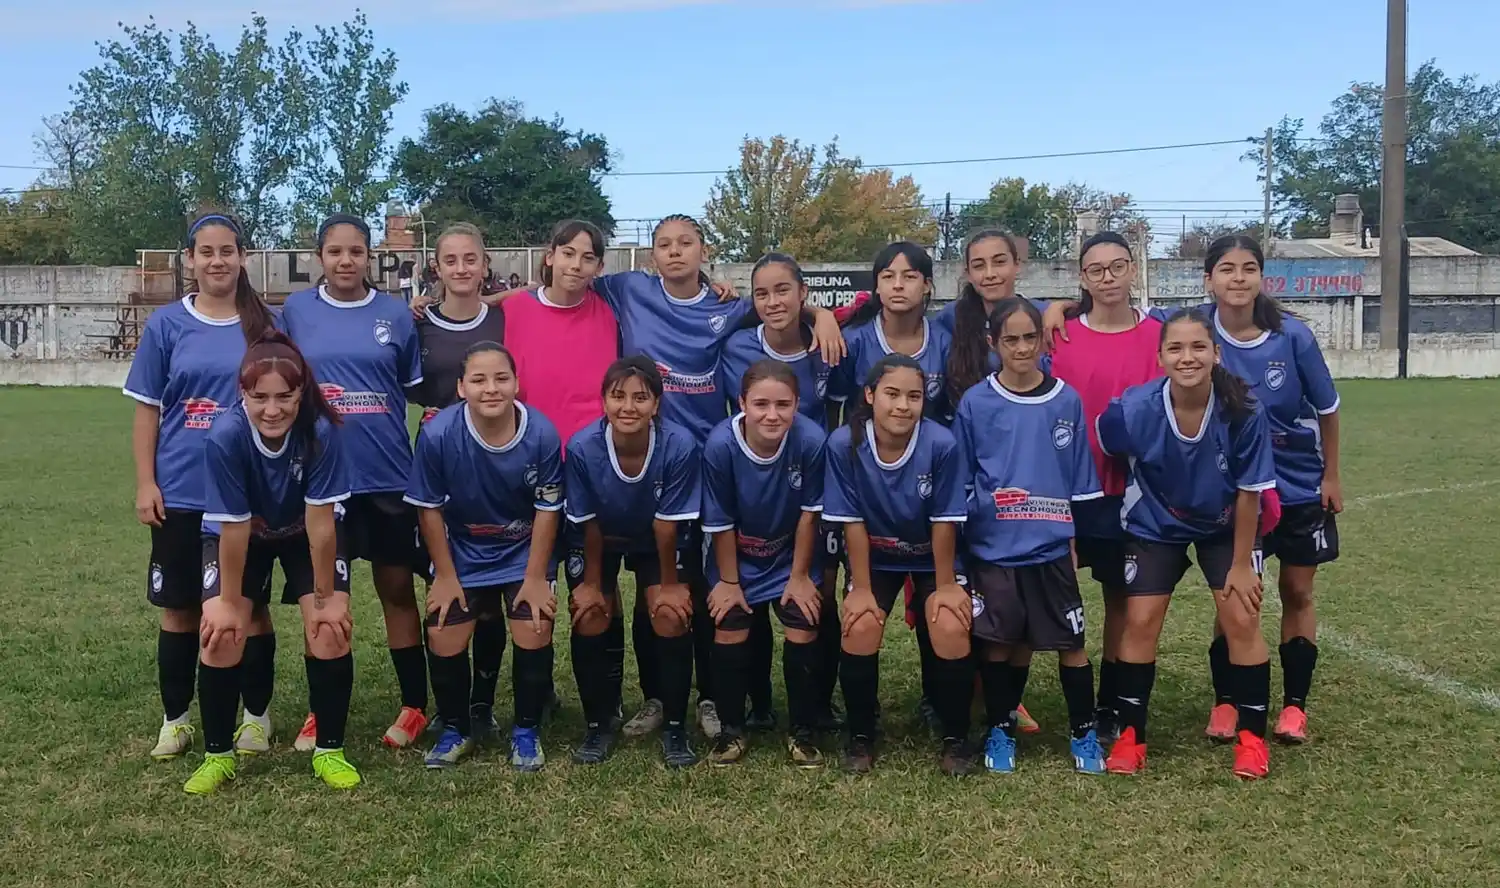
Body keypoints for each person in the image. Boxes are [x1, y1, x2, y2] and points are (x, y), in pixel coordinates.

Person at [1094, 308, 1277, 779]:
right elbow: (1105, 446)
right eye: (1175, 348)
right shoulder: (1132, 410)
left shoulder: (1245, 409)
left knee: (1241, 615)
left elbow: (1249, 491)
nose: (1187, 356)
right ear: (1160, 357)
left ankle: (1252, 740)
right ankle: (1132, 736)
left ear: (1216, 353)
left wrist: (1241, 564)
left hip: (1224, 526)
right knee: (1140, 621)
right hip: (1156, 524)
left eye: (1198, 347)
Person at [124, 210, 278, 762]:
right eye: (206, 251)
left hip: (244, 499)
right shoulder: (167, 325)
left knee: (249, 608)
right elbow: (147, 409)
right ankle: (176, 721)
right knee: (181, 610)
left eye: (228, 251)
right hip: (181, 491)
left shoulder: (263, 325)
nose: (217, 260)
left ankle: (256, 720)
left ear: (243, 258)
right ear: (189, 259)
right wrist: (147, 483)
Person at [185, 332, 359, 793]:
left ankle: (330, 751)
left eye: (285, 396)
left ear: (302, 392)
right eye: (259, 397)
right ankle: (218, 756)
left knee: (329, 630)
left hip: (305, 533)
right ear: (242, 394)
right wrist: (225, 601)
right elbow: (235, 529)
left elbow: (322, 527)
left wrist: (325, 598)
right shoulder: (226, 435)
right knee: (221, 634)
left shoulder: (321, 431)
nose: (272, 409)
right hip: (242, 536)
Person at [281, 214, 430, 751]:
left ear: (371, 256)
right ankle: (322, 712)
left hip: (389, 473)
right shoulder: (296, 312)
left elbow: (414, 388)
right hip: (324, 480)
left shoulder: (394, 315)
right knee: (325, 596)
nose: (346, 261)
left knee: (396, 588)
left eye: (356, 252)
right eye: (335, 251)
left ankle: (415, 704)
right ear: (319, 256)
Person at [1198, 235, 1341, 745]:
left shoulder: (1293, 336)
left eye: (1249, 268)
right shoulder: (1196, 330)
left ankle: (1295, 707)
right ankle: (1226, 702)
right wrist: (1060, 307)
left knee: (1297, 590)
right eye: (1227, 269)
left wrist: (1331, 475)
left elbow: (1327, 409)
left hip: (1298, 486)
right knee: (1236, 600)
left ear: (1263, 277)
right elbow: (1116, 312)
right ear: (1209, 278)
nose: (1238, 279)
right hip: (1235, 493)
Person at [953, 298, 1106, 775]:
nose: (1022, 348)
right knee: (1000, 644)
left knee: (1071, 642)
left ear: (1043, 339)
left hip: (1050, 546)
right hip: (994, 548)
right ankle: (1001, 728)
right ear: (993, 344)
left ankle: (1084, 732)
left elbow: (1080, 476)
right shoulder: (976, 401)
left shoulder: (1066, 399)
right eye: (1011, 339)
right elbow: (963, 475)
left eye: (1030, 338)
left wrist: (1078, 537)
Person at [404, 342, 564, 770]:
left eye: (501, 378)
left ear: (516, 384)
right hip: (463, 550)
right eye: (478, 379)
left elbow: (547, 512)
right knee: (442, 628)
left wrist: (534, 578)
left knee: (533, 622)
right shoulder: (438, 434)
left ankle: (526, 730)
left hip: (522, 548)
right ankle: (457, 728)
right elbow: (429, 509)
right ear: (461, 388)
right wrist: (446, 576)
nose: (490, 388)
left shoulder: (542, 433)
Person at [823, 354, 973, 774]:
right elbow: (851, 521)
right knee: (861, 623)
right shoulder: (844, 443)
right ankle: (860, 734)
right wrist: (862, 590)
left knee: (949, 623)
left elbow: (945, 522)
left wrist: (945, 586)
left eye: (914, 396)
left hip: (932, 556)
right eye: (892, 394)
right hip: (876, 556)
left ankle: (956, 737)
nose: (903, 406)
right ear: (870, 396)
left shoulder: (940, 444)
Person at [1045, 231, 1164, 741]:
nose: (1108, 277)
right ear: (1082, 277)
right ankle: (1034, 700)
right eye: (1096, 269)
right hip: (1069, 491)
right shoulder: (1061, 335)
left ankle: (1112, 702)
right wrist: (1056, 307)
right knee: (1059, 594)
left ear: (1134, 269)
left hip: (1132, 491)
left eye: (1118, 266)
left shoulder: (1160, 335)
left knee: (1122, 597)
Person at [716, 252, 840, 735]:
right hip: (755, 488)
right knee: (748, 601)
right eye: (762, 293)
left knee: (816, 596)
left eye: (783, 290)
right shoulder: (737, 347)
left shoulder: (829, 344)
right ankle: (759, 704)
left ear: (803, 293)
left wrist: (824, 318)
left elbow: (848, 406)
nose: (773, 302)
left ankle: (819, 706)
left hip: (814, 485)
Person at [564, 357, 703, 767]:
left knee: (669, 613)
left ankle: (675, 726)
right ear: (603, 401)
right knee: (590, 612)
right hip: (600, 538)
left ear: (656, 405)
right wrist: (591, 583)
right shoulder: (582, 447)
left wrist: (671, 585)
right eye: (618, 395)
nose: (629, 406)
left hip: (656, 537)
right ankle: (599, 724)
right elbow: (587, 524)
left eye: (641, 397)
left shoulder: (679, 445)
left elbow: (666, 527)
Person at [411, 222, 510, 741]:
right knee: (445, 584)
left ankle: (481, 703)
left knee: (491, 593)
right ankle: (448, 708)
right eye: (451, 260)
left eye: (471, 259)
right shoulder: (418, 322)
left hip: (497, 466)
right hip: (441, 465)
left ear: (484, 263)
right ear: (438, 267)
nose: (462, 269)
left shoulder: (505, 315)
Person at [701, 360, 827, 766]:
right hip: (736, 555)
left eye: (783, 404)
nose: (772, 415)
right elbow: (719, 522)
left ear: (797, 405)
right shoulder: (720, 445)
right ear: (741, 403)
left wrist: (801, 576)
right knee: (730, 623)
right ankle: (732, 731)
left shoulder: (810, 441)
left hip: (791, 554)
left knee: (803, 621)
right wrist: (729, 582)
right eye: (760, 404)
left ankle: (803, 730)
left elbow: (810, 514)